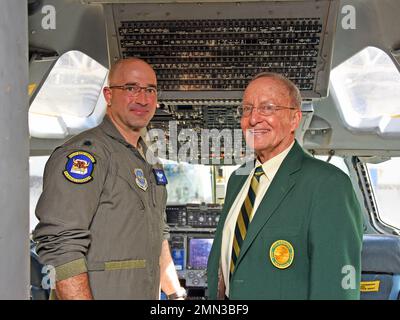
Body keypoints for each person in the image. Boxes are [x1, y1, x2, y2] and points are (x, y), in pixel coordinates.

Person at [33, 58, 186, 300]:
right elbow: (61, 244)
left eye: (150, 90)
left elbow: (158, 233)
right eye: (130, 88)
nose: (142, 99)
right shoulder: (87, 155)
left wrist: (176, 295)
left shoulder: (149, 160)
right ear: (108, 95)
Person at [207, 72, 363, 300]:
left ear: (294, 120)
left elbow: (336, 289)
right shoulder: (238, 179)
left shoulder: (329, 185)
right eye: (247, 109)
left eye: (267, 108)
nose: (253, 118)